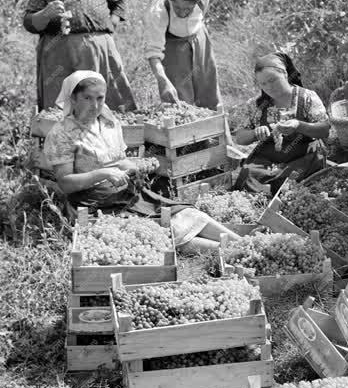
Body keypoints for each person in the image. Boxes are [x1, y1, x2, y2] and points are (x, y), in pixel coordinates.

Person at [43, 71, 239, 253]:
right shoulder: (62, 134)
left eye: (100, 98)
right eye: (87, 98)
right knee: (172, 236)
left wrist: (132, 166)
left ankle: (246, 244)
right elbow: (66, 183)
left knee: (192, 214)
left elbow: (119, 160)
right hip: (95, 205)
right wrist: (102, 174)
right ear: (73, 98)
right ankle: (238, 251)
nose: (95, 105)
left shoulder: (108, 123)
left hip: (129, 195)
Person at [23, 0, 135, 112]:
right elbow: (29, 22)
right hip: (60, 52)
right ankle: (63, 138)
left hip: (99, 52)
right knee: (62, 106)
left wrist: (112, 22)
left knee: (105, 101)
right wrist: (45, 13)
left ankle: (113, 137)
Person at [233, 53, 330, 194]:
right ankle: (265, 195)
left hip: (302, 156)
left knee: (292, 181)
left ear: (284, 74)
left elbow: (324, 129)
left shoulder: (307, 97)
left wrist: (298, 125)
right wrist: (255, 134)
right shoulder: (257, 105)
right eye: (263, 84)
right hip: (269, 158)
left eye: (272, 80)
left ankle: (276, 192)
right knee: (249, 173)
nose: (269, 87)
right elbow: (240, 138)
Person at [144, 0, 222, 109]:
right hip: (172, 45)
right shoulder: (159, 11)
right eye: (177, 7)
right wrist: (162, 80)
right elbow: (154, 53)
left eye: (187, 9)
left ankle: (215, 125)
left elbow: (202, 15)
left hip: (199, 39)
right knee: (179, 99)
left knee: (209, 90)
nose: (182, 12)